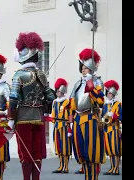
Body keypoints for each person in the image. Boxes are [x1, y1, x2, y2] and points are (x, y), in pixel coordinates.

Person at [7, 32, 56, 180]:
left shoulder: (19, 75)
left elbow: (14, 98)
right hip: (39, 119)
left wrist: (11, 118)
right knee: (36, 153)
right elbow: (51, 97)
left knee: (25, 153)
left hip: (22, 118)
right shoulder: (41, 74)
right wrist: (45, 112)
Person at [68, 48, 106, 180]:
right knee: (81, 152)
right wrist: (70, 120)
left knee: (92, 152)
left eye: (85, 67)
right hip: (78, 119)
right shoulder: (78, 83)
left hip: (90, 118)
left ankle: (93, 177)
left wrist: (92, 86)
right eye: (82, 67)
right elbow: (72, 102)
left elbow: (101, 101)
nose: (83, 69)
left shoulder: (97, 82)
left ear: (91, 68)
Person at [48, 78, 72, 173]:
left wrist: (70, 127)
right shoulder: (55, 102)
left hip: (64, 126)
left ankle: (66, 166)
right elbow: (53, 113)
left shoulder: (67, 102)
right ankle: (61, 165)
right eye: (57, 90)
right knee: (58, 146)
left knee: (65, 147)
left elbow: (70, 114)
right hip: (57, 126)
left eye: (58, 90)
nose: (57, 92)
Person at [102, 80, 122, 175]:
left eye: (110, 93)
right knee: (109, 150)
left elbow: (122, 117)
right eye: (108, 93)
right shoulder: (105, 104)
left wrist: (115, 116)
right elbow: (103, 117)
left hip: (114, 129)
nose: (108, 94)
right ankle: (112, 167)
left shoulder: (118, 104)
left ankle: (116, 169)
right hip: (106, 129)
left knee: (115, 150)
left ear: (113, 94)